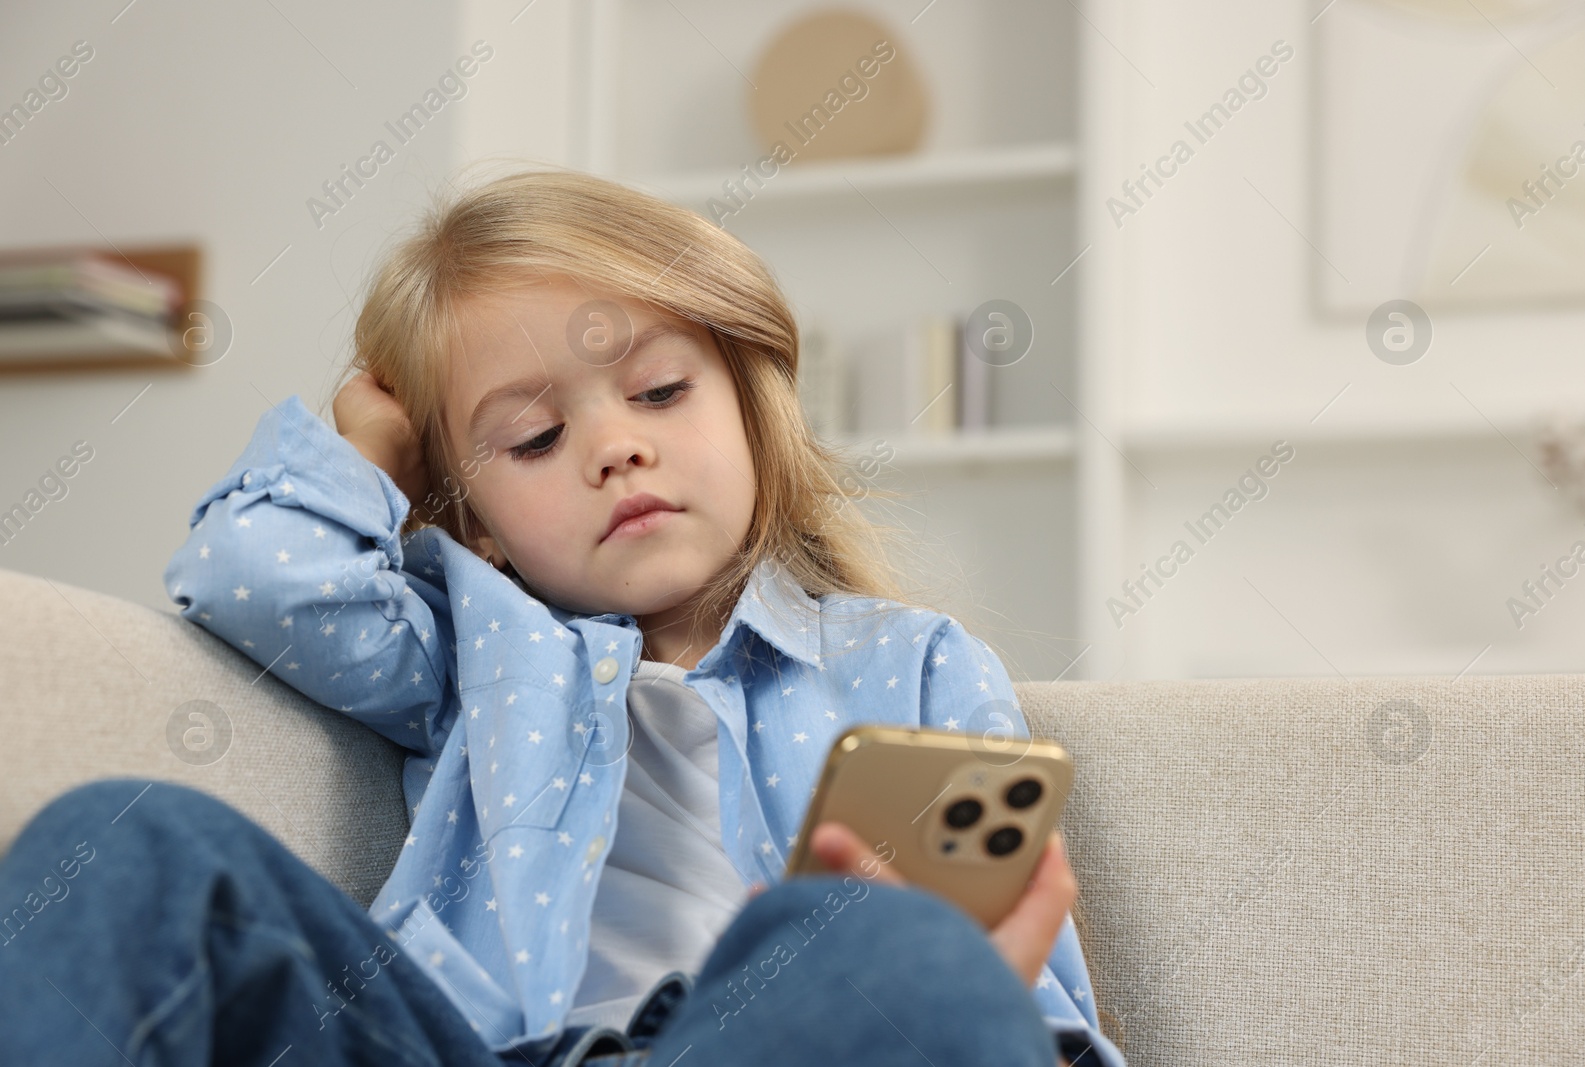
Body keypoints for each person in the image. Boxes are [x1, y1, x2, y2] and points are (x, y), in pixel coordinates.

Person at [0, 167, 1126, 1067]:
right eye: (532, 440)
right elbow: (256, 574)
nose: (612, 446)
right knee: (132, 840)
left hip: (779, 1039)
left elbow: (1016, 992)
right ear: (478, 521)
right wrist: (372, 446)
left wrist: (928, 963)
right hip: (480, 1043)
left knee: (886, 939)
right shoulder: (470, 647)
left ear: (749, 405)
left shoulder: (910, 663)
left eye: (661, 391)